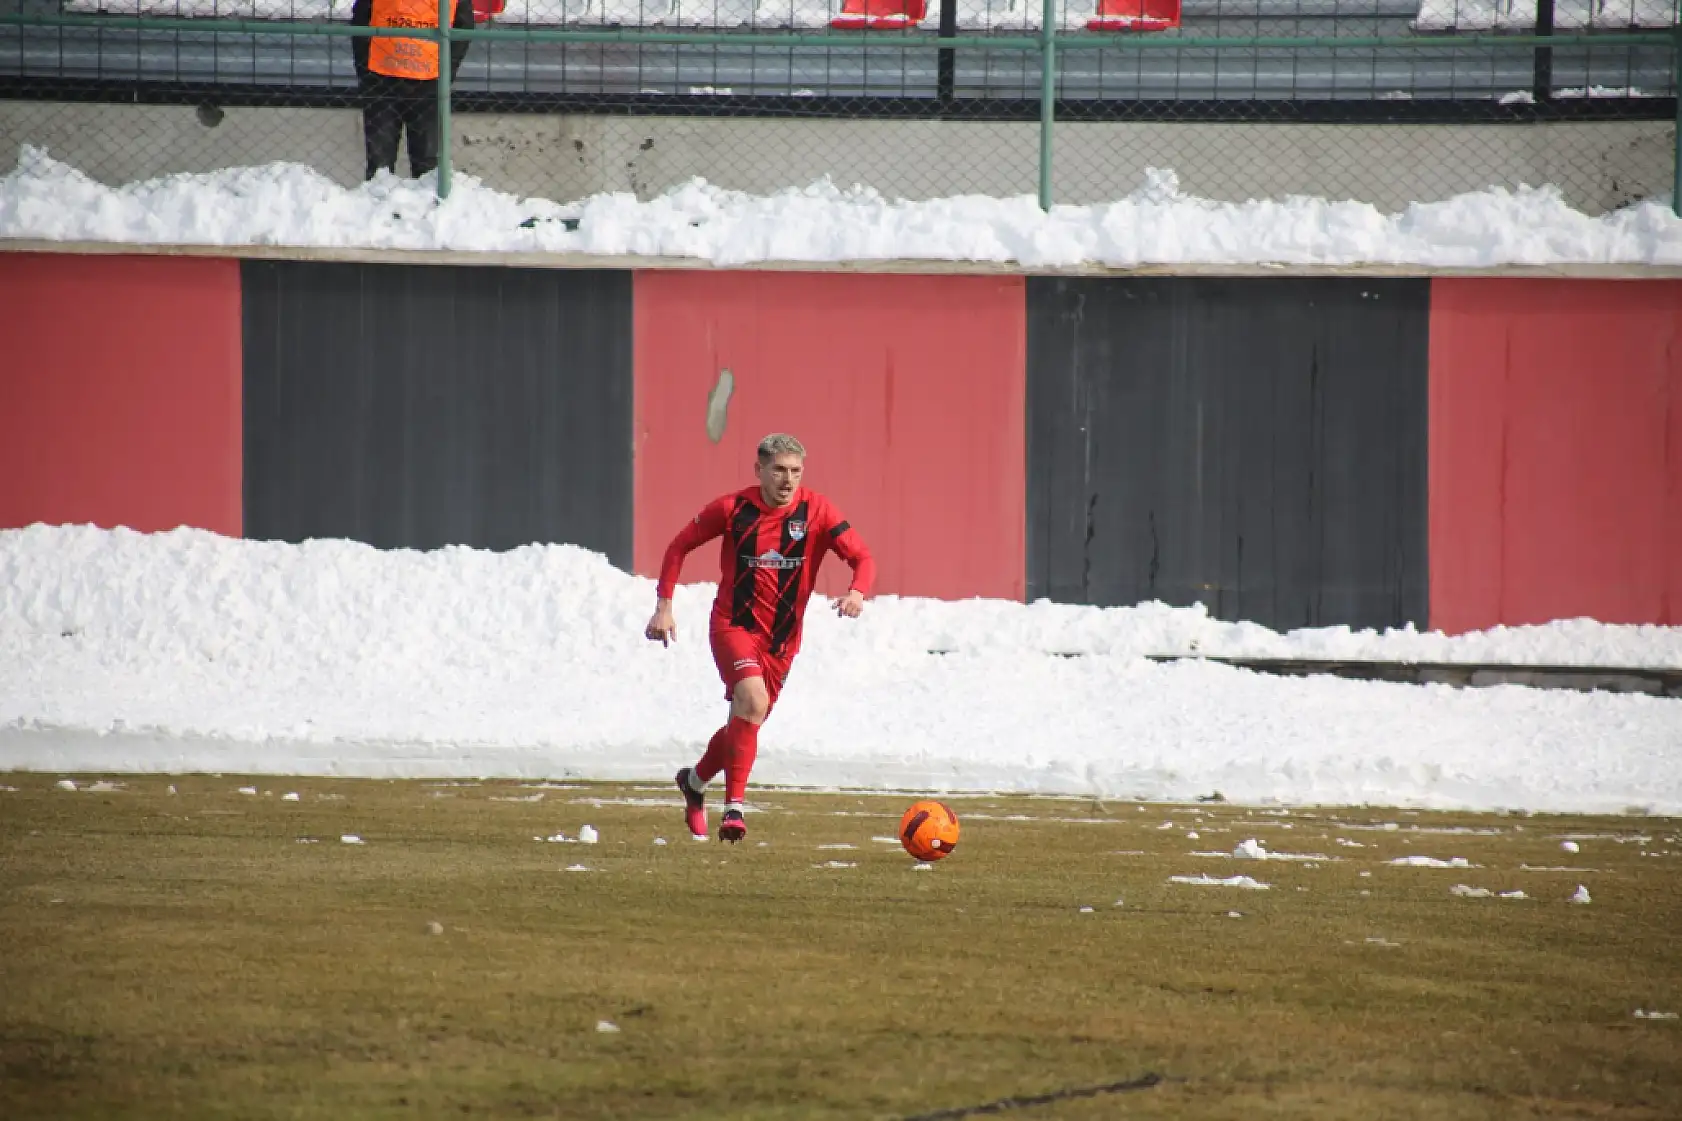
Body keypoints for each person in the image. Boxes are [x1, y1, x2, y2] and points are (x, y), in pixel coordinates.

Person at [645, 434, 875, 844]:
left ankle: (695, 782)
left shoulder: (817, 510)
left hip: (782, 643)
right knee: (752, 700)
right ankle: (734, 809)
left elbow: (863, 557)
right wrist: (664, 605)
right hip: (733, 626)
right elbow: (679, 545)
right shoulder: (733, 509)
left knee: (745, 722)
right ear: (760, 471)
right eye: (780, 470)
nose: (788, 480)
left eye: (795, 472)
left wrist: (857, 590)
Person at [350, 0, 474, 181]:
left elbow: (463, 28)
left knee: (416, 168)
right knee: (398, 166)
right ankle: (381, 205)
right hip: (389, 80)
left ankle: (406, 205)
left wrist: (445, 73)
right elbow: (360, 21)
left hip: (407, 82)